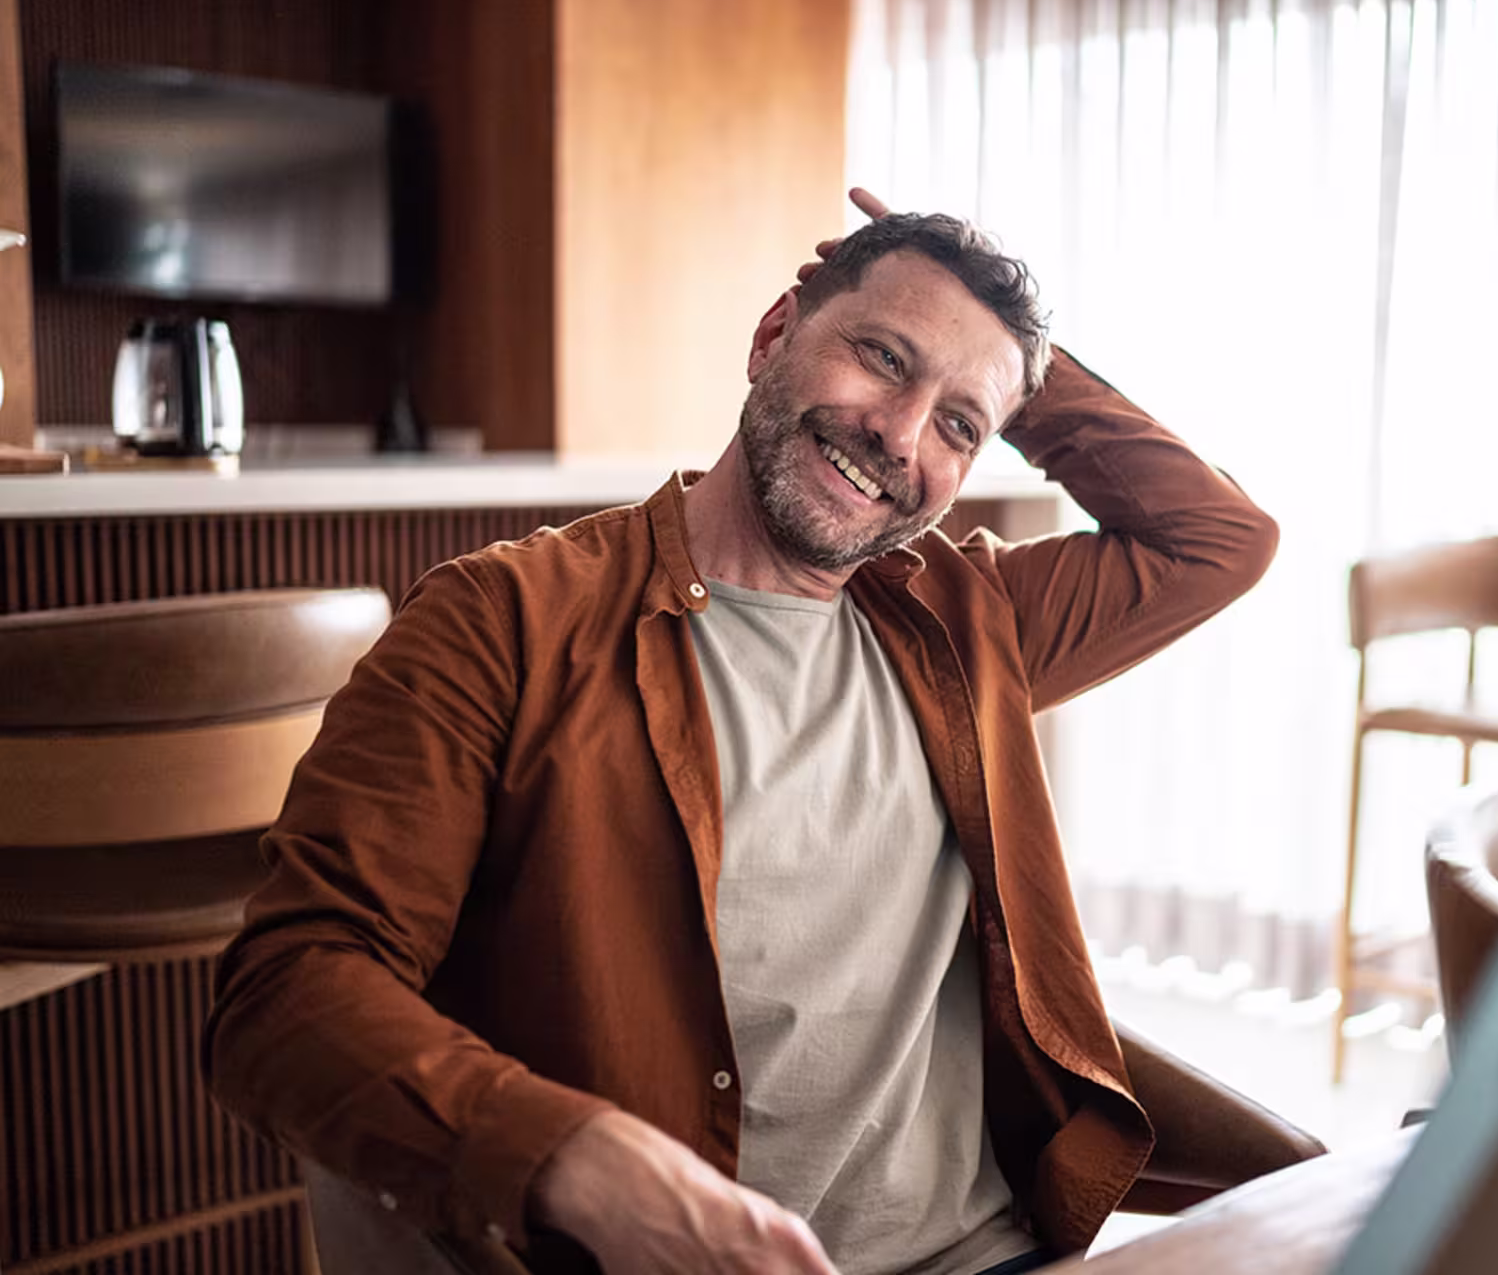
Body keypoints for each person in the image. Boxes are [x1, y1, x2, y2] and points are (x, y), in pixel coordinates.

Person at [204, 190, 1319, 1275]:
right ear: (774, 333)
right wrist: (576, 1157)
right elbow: (291, 988)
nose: (898, 433)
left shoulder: (972, 623)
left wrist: (1014, 361)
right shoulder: (505, 619)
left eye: (958, 425)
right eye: (883, 357)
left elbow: (1221, 539)